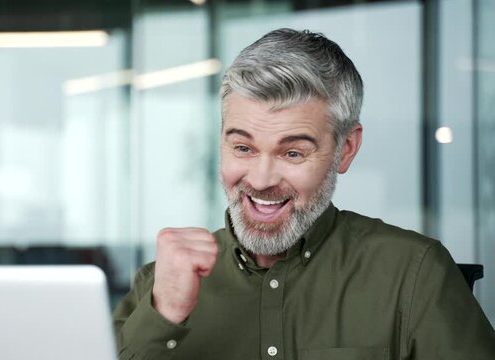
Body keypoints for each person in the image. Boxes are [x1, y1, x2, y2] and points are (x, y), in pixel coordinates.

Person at [112, 28, 495, 360]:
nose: (261, 179)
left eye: (292, 152)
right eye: (243, 148)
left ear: (345, 148)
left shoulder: (417, 274)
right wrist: (164, 313)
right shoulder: (159, 284)